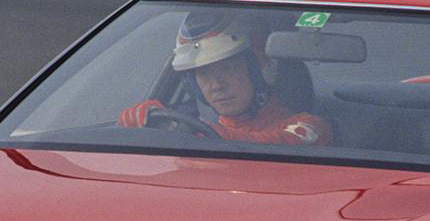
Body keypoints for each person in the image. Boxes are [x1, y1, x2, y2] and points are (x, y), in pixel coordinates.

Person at [119, 11, 332, 146]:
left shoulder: (310, 127)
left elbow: (265, 146)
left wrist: (188, 133)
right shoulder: (198, 128)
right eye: (203, 74)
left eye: (228, 69)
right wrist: (138, 126)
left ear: (259, 69)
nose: (216, 86)